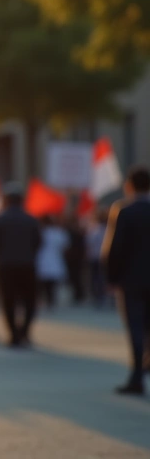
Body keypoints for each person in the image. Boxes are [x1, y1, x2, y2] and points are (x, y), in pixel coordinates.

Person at [103, 166, 150, 396]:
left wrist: (111, 277)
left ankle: (137, 377)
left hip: (131, 279)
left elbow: (114, 248)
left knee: (136, 327)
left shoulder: (124, 210)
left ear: (129, 185)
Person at [0, 186, 42, 348]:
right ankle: (24, 331)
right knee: (29, 301)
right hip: (27, 265)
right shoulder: (31, 220)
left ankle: (14, 334)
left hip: (5, 266)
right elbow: (39, 243)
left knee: (8, 301)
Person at [37, 215, 70, 310]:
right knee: (52, 284)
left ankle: (44, 300)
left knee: (43, 283)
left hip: (42, 260)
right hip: (55, 259)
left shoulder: (41, 233)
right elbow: (66, 246)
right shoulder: (58, 232)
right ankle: (50, 301)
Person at [86, 208, 110, 308]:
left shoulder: (95, 230)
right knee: (100, 277)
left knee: (96, 278)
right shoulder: (107, 229)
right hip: (102, 257)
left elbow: (88, 243)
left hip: (96, 257)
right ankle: (101, 296)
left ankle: (99, 296)